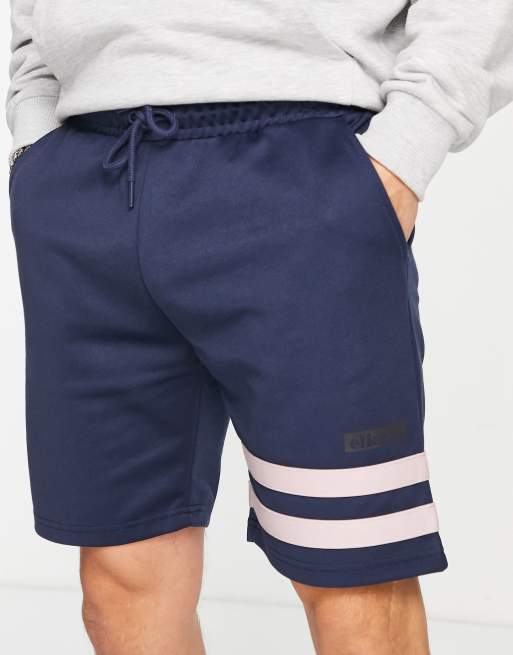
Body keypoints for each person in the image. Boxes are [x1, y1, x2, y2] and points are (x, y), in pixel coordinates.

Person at [7, 2, 513, 653]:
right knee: (119, 576)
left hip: (302, 172)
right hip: (91, 176)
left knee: (354, 574)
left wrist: (406, 149)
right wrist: (35, 136)